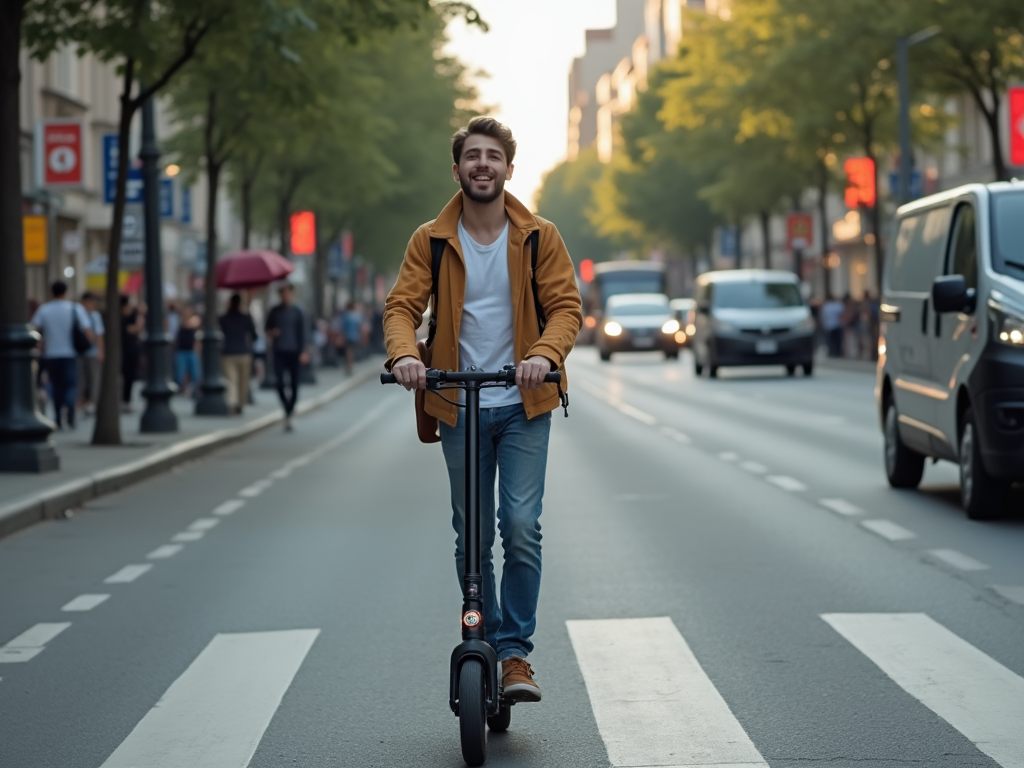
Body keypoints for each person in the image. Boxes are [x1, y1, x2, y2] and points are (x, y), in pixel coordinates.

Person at [384, 117, 582, 703]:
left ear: (508, 169)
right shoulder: (433, 239)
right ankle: (488, 639)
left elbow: (566, 307)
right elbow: (402, 306)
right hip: (457, 402)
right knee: (471, 538)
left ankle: (515, 655)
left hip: (523, 402)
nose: (482, 165)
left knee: (519, 527)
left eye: (492, 156)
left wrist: (543, 354)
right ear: (457, 169)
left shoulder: (539, 236)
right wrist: (404, 356)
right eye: (472, 155)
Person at [31, 281, 94, 429]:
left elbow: (34, 328)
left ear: (51, 292)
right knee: (71, 385)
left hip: (51, 354)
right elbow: (88, 331)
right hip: (70, 353)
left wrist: (41, 344)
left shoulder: (44, 309)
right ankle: (70, 413)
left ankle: (59, 416)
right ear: (66, 292)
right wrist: (86, 345)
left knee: (56, 386)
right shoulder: (75, 308)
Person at [265, 283, 308, 431]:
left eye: (288, 293)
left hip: (295, 352)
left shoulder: (298, 312)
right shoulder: (274, 311)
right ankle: (287, 408)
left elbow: (303, 332)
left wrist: (303, 351)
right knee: (279, 382)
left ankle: (290, 410)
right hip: (279, 351)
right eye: (283, 293)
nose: (286, 296)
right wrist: (272, 332)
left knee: (295, 383)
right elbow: (267, 328)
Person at [219, 293, 257, 414]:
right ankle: (240, 403)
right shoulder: (246, 317)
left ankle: (232, 402)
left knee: (231, 380)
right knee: (243, 381)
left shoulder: (223, 318)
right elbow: (254, 335)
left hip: (228, 352)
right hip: (244, 352)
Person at [78, 291, 105, 416]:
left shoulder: (95, 315)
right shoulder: (78, 313)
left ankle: (92, 402)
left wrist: (100, 351)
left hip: (92, 352)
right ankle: (81, 402)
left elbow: (99, 335)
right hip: (79, 351)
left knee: (94, 378)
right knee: (82, 379)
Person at [120, 296, 144, 412]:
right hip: (122, 349)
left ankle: (126, 401)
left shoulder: (134, 315)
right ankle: (122, 400)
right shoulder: (119, 317)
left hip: (131, 349)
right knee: (122, 377)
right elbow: (133, 329)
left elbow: (137, 328)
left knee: (129, 376)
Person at [174, 308, 201, 396]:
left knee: (195, 373)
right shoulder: (180, 324)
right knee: (180, 373)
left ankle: (193, 390)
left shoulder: (194, 323)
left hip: (191, 351)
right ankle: (182, 389)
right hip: (182, 351)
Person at [342, 302, 364, 374]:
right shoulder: (356, 316)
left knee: (348, 351)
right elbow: (360, 327)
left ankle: (348, 366)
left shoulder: (346, 315)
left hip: (348, 336)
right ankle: (350, 366)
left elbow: (343, 327)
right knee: (352, 351)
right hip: (355, 336)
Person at [820, 294, 845, 358]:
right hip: (837, 325)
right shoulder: (838, 305)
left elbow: (823, 317)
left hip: (828, 326)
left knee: (830, 341)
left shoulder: (826, 307)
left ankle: (831, 352)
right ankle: (838, 352)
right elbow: (843, 314)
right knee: (837, 341)